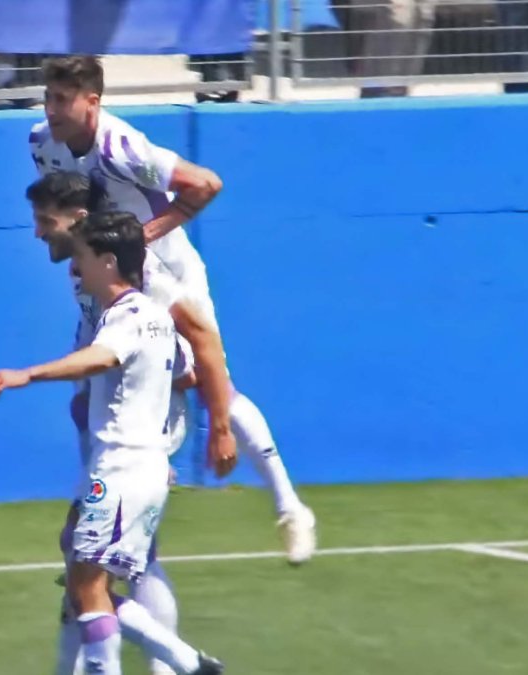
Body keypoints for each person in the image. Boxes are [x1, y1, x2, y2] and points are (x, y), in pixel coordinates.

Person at [29, 55, 317, 566]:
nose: (51, 109)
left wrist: (142, 238)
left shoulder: (121, 147)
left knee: (209, 382)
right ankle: (110, 502)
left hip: (164, 271)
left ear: (92, 102)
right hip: (107, 274)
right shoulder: (41, 145)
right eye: (49, 97)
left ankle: (290, 508)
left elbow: (206, 183)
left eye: (63, 98)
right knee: (89, 384)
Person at [0, 212, 224, 675]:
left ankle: (170, 662)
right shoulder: (157, 317)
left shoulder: (127, 316)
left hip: (119, 468)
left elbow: (100, 358)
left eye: (85, 258)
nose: (77, 268)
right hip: (141, 467)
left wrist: (27, 375)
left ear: (110, 262)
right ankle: (186, 661)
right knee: (81, 573)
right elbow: (185, 375)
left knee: (88, 589)